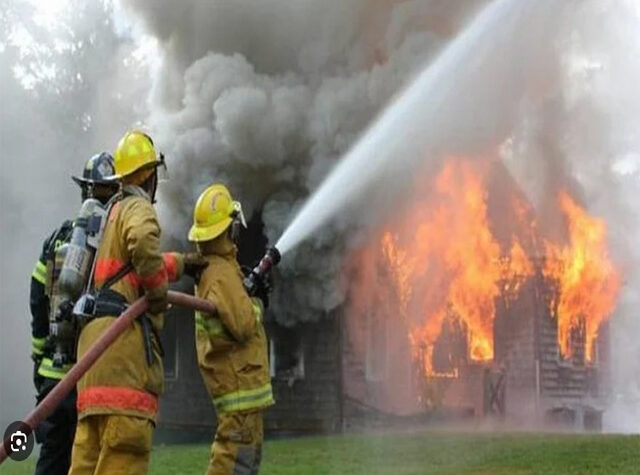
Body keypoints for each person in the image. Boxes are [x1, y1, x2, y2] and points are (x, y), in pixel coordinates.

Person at [68, 130, 205, 474]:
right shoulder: (138, 207)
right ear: (148, 176)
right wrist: (158, 297)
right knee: (123, 458)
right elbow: (143, 243)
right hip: (123, 360)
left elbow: (130, 269)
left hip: (93, 361)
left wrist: (182, 264)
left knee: (85, 464)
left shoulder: (110, 214)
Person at [30, 152, 119, 475]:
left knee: (53, 458)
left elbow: (37, 302)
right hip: (91, 375)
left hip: (54, 376)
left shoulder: (56, 240)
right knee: (91, 460)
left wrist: (39, 356)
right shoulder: (112, 245)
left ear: (84, 191)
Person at [188, 183, 274, 475]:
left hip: (240, 389)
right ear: (228, 228)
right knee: (233, 463)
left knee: (243, 464)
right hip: (239, 388)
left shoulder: (216, 269)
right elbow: (244, 324)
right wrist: (257, 302)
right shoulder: (220, 273)